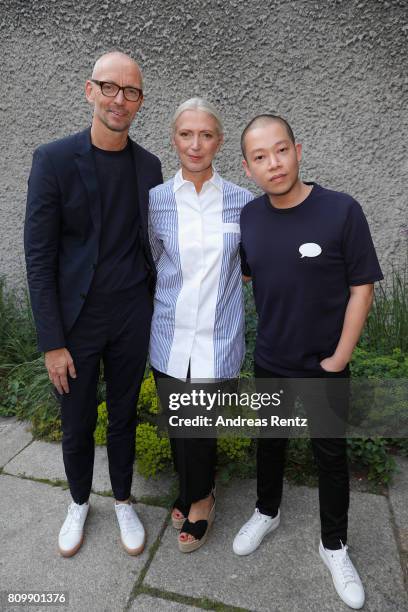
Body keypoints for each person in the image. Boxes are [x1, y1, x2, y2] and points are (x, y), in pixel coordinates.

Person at [234, 114, 383, 609]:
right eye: (260, 157)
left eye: (280, 150)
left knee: (330, 457)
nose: (273, 164)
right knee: (269, 443)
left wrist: (340, 357)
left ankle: (334, 545)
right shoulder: (250, 218)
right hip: (271, 359)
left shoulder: (341, 211)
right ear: (248, 167)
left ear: (298, 150)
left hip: (325, 364)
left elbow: (362, 286)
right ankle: (267, 510)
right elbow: (257, 276)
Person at [24, 51, 163, 558]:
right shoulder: (53, 160)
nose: (119, 99)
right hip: (76, 322)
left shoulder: (149, 166)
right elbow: (38, 258)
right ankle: (80, 501)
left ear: (140, 102)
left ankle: (123, 498)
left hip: (131, 316)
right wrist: (52, 342)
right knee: (78, 419)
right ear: (89, 90)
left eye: (130, 92)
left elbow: (152, 242)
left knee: (123, 413)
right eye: (109, 87)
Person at [148, 98, 253, 552]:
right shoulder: (155, 201)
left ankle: (202, 500)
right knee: (178, 423)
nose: (196, 144)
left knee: (200, 427)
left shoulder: (242, 202)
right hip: (169, 335)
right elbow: (154, 262)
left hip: (218, 337)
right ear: (174, 139)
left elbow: (250, 265)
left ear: (220, 142)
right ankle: (189, 487)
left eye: (206, 135)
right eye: (186, 134)